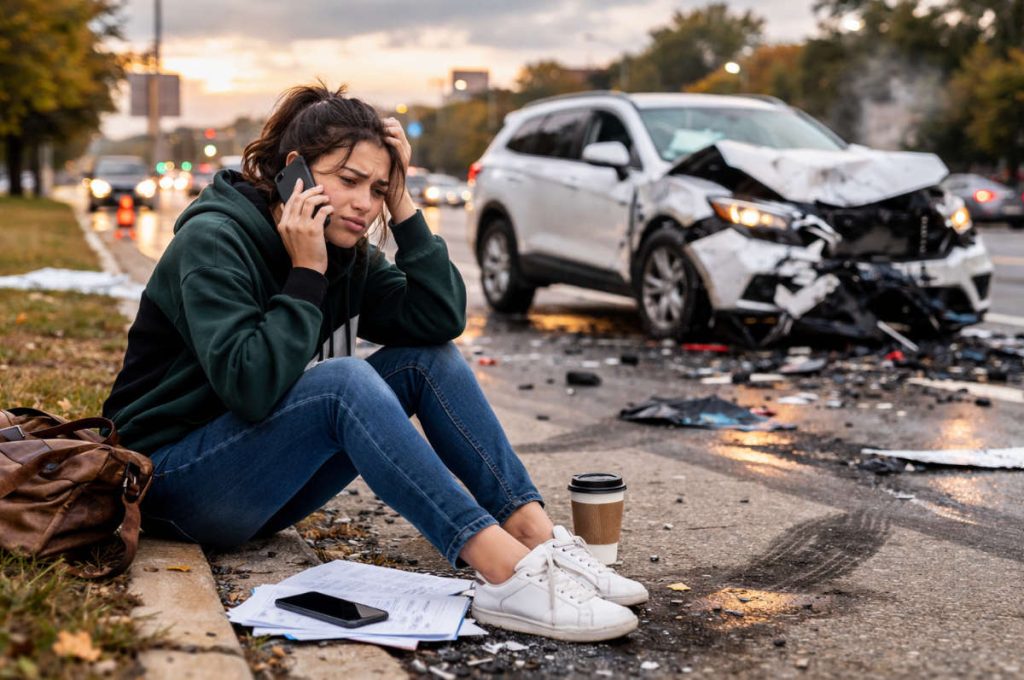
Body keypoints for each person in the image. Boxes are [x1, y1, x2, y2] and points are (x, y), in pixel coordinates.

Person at [102, 83, 647, 642]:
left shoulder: (346, 253)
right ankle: (503, 571)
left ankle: (534, 537)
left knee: (423, 360)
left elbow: (438, 319)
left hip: (255, 487)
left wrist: (405, 207)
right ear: (297, 173)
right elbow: (251, 388)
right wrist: (305, 273)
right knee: (342, 383)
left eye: (379, 189)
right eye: (350, 181)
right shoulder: (216, 239)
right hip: (164, 485)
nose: (366, 203)